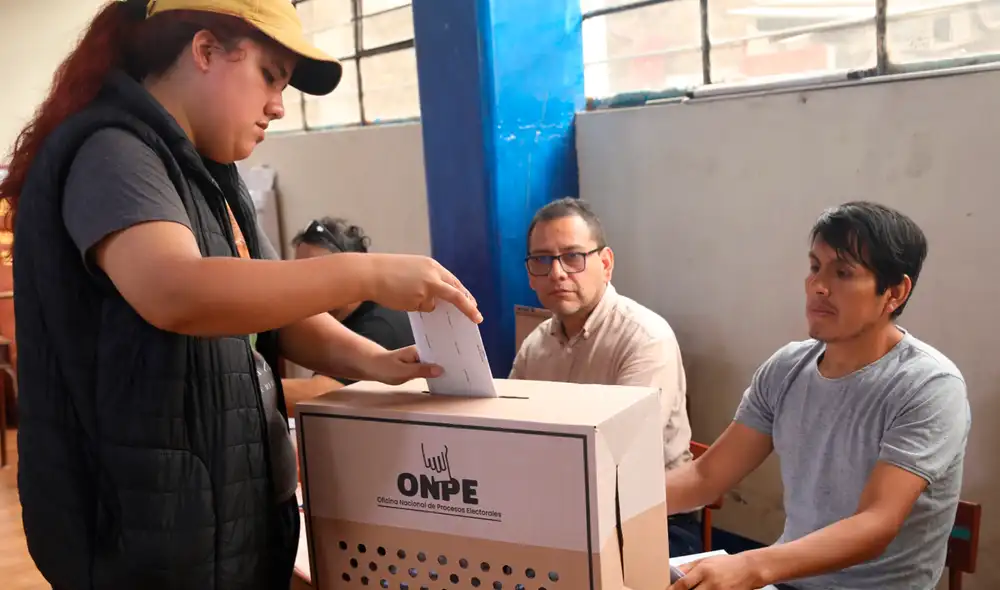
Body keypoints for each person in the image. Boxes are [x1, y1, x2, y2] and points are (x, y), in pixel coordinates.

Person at [0, 1, 480, 589]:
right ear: (204, 52)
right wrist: (367, 273)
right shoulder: (114, 154)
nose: (279, 105)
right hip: (141, 543)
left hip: (216, 531)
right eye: (270, 76)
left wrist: (375, 361)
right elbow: (176, 292)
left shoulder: (210, 175)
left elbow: (274, 308)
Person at [666, 202, 971, 590]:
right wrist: (606, 506)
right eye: (815, 267)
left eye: (842, 272)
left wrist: (753, 566)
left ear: (895, 292)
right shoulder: (787, 368)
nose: (818, 286)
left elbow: (875, 523)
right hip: (789, 581)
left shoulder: (929, 386)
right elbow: (705, 476)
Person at [508, 197, 696, 555]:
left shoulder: (644, 338)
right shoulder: (536, 346)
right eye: (542, 260)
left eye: (573, 257)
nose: (557, 273)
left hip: (651, 517)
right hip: (561, 510)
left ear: (606, 263)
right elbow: (511, 437)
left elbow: (621, 458)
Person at [281, 217, 416, 411]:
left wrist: (247, 388)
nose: (305, 284)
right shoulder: (338, 317)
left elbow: (321, 395)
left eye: (319, 272)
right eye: (299, 272)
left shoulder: (380, 325)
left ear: (351, 272)